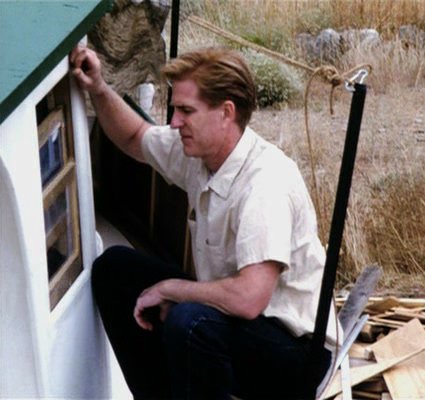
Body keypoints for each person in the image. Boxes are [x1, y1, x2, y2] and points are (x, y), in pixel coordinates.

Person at [70, 45, 339, 399]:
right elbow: (135, 137)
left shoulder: (264, 185)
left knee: (190, 322)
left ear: (226, 113)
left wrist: (171, 290)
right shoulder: (200, 154)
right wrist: (98, 88)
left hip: (297, 353)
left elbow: (249, 298)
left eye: (186, 111)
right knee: (115, 270)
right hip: (240, 322)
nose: (174, 122)